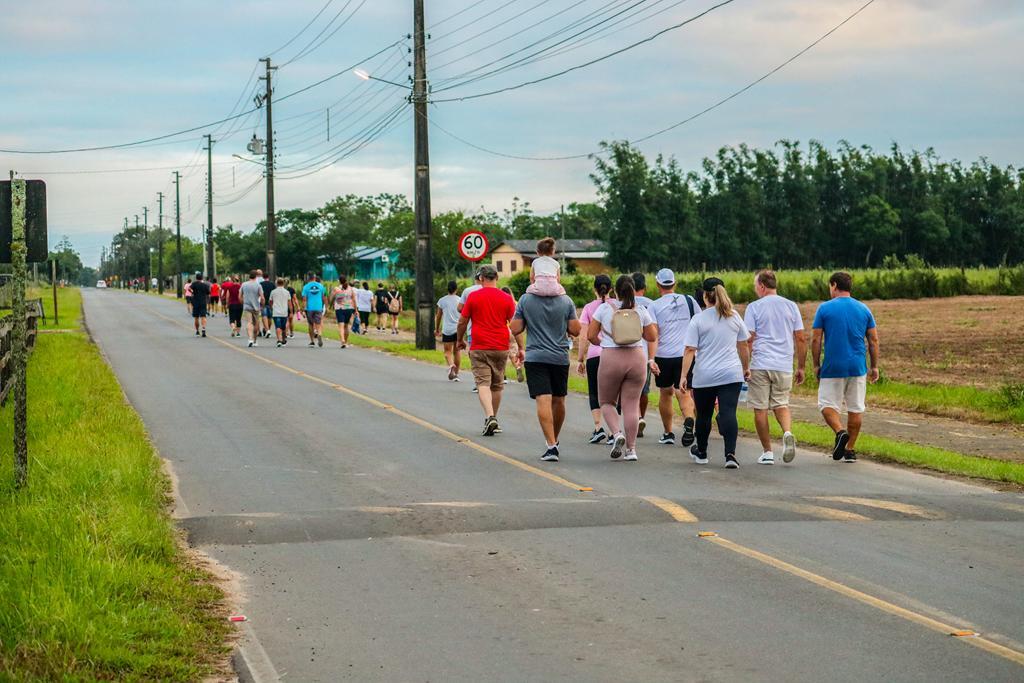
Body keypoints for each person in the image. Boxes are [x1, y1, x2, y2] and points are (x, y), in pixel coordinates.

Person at [681, 278, 751, 469]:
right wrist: (746, 368)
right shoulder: (734, 316)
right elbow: (743, 344)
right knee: (728, 412)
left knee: (703, 415)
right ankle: (730, 454)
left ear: (704, 296)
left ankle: (702, 452)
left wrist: (683, 376)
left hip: (705, 375)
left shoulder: (699, 319)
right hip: (731, 374)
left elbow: (689, 350)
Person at [588, 275, 659, 462]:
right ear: (633, 290)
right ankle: (631, 450)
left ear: (615, 291)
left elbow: (590, 335)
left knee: (606, 401)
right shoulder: (641, 310)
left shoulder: (604, 308)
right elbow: (652, 336)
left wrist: (603, 341)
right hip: (636, 358)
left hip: (611, 357)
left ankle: (617, 433)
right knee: (631, 405)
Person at [811, 271, 879, 463]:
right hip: (857, 366)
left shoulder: (824, 308)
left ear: (834, 285)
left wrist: (816, 365)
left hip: (833, 365)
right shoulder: (864, 309)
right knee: (855, 408)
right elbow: (873, 340)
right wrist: (874, 366)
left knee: (826, 405)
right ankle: (850, 449)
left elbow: (816, 339)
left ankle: (840, 432)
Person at [510, 283, 580, 462]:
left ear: (535, 277)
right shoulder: (566, 301)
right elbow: (576, 330)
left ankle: (551, 445)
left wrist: (529, 317)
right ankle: (553, 440)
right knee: (559, 399)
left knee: (543, 398)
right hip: (559, 357)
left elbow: (515, 328)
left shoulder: (526, 300)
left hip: (535, 356)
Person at [744, 270, 806, 465]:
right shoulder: (791, 306)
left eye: (756, 286)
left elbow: (749, 339)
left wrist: (746, 364)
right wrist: (801, 367)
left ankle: (767, 451)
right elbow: (801, 338)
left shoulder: (754, 307)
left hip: (761, 363)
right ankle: (787, 432)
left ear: (762, 286)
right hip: (784, 364)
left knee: (760, 408)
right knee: (781, 404)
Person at [457, 265, 519, 436]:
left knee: (483, 383)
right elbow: (515, 326)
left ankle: (489, 416)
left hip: (479, 346)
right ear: (497, 278)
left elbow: (462, 321)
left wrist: (459, 340)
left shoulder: (474, 296)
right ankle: (494, 419)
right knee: (497, 385)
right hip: (500, 346)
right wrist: (520, 348)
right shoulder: (506, 298)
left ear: (481, 278)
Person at [647, 268, 700, 447]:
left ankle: (668, 432)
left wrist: (651, 358)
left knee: (665, 392)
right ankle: (689, 420)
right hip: (686, 354)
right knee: (683, 391)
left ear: (657, 284)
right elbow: (700, 323)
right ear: (674, 283)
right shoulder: (690, 300)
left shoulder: (654, 306)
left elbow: (653, 335)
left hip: (664, 355)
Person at [576, 274, 615, 444]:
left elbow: (584, 336)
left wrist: (580, 359)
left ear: (594, 289)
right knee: (613, 394)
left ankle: (598, 427)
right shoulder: (616, 306)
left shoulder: (588, 308)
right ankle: (614, 431)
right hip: (613, 353)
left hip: (594, 355)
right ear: (611, 289)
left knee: (594, 391)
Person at [632, 272, 656, 439]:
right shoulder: (651, 305)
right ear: (645, 288)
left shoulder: (621, 304)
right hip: (645, 352)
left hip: (627, 351)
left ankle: (636, 417)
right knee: (644, 390)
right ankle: (641, 417)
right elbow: (654, 333)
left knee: (629, 390)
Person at [435, 281, 462, 381]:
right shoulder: (460, 300)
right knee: (457, 351)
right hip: (459, 329)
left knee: (447, 352)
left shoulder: (442, 301)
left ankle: (451, 366)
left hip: (447, 330)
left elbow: (438, 316)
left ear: (447, 289)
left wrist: (437, 329)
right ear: (456, 289)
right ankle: (456, 374)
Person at [501, 286, 526, 384]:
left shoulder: (501, 303)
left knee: (503, 354)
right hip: (514, 331)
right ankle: (518, 367)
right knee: (513, 353)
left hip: (503, 330)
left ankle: (503, 376)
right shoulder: (515, 303)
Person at [329, 276, 358, 348]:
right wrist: (356, 310)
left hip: (339, 309)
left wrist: (330, 305)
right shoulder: (351, 289)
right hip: (349, 309)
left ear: (339, 281)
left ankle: (342, 341)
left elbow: (331, 298)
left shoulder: (336, 289)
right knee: (346, 326)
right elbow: (354, 300)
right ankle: (346, 341)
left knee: (341, 326)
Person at [240, 270, 265, 347]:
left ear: (249, 276)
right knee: (256, 323)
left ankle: (250, 338)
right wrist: (262, 305)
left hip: (247, 306)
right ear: (256, 276)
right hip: (256, 307)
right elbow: (262, 297)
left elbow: (239, 296)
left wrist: (243, 302)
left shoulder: (244, 284)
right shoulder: (258, 285)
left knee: (249, 322)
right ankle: (254, 340)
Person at [301, 274, 326, 347]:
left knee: (310, 324)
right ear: (314, 278)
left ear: (308, 278)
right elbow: (323, 297)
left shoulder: (306, 287)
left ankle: (312, 341)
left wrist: (304, 309)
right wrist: (322, 306)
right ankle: (319, 334)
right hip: (318, 307)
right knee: (318, 323)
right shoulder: (321, 286)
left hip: (309, 308)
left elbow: (304, 299)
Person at [269, 277, 291, 348]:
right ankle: (282, 339)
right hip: (284, 312)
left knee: (278, 326)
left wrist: (272, 307)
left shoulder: (273, 292)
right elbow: (289, 303)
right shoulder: (287, 292)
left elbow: (270, 301)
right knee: (283, 327)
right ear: (283, 283)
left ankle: (279, 340)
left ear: (276, 283)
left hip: (276, 312)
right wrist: (291, 311)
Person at [190, 273, 211, 337]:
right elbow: (208, 292)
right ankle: (203, 329)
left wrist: (193, 292)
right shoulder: (204, 285)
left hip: (196, 302)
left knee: (196, 317)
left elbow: (189, 289)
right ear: (202, 278)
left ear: (196, 278)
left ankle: (197, 331)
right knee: (203, 316)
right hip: (203, 302)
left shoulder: (194, 284)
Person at [259, 274, 276, 338]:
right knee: (269, 317)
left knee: (264, 316)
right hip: (270, 302)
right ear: (268, 277)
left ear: (263, 277)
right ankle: (267, 329)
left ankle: (267, 330)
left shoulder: (260, 284)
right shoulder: (272, 284)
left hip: (263, 302)